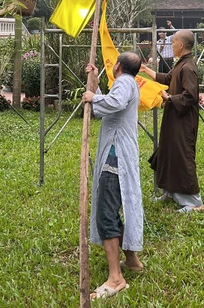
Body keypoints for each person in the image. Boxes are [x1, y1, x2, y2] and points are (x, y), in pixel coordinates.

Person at [82, 51, 144, 300]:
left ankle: (116, 279)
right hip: (119, 154)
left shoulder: (124, 83)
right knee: (121, 206)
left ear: (118, 66)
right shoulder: (127, 84)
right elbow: (104, 109)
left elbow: (112, 103)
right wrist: (94, 87)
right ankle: (132, 260)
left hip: (114, 158)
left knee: (107, 215)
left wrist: (91, 97)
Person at [140, 30, 203, 213]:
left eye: (173, 42)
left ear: (181, 45)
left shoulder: (188, 67)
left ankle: (195, 202)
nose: (171, 45)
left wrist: (169, 99)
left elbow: (191, 97)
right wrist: (146, 70)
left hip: (183, 120)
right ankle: (170, 192)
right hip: (174, 117)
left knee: (182, 155)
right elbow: (167, 79)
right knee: (169, 152)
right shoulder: (180, 64)